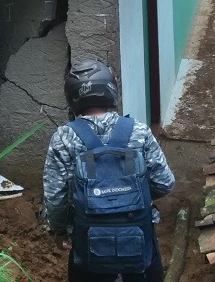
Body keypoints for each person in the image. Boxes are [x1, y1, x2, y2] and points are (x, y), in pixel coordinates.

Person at [43, 59, 175, 282]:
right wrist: (132, 197)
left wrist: (59, 232)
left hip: (89, 243)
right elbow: (164, 183)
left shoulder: (63, 138)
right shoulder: (138, 131)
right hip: (139, 237)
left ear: (72, 98)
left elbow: (55, 199)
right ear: (111, 90)